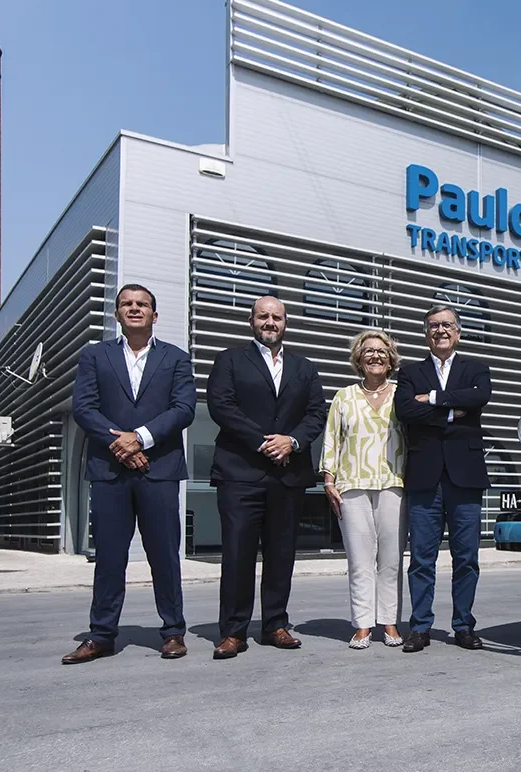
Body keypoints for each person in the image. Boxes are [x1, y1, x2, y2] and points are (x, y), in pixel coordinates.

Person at [63, 284, 197, 664]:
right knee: (109, 557)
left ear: (155, 314)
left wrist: (139, 439)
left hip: (160, 471)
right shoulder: (94, 356)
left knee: (164, 556)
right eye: (127, 304)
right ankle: (101, 634)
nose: (134, 308)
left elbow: (183, 408)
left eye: (142, 304)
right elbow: (84, 408)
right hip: (110, 472)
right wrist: (119, 444)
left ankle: (173, 632)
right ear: (117, 313)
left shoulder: (176, 359)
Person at [206, 295, 328, 659]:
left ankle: (275, 624)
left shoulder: (304, 368)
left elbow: (316, 414)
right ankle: (233, 631)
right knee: (237, 555)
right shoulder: (229, 360)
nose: (270, 322)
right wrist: (265, 443)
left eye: (277, 317)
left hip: (287, 476)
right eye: (263, 316)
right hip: (240, 475)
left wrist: (292, 441)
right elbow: (221, 406)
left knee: (281, 555)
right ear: (251, 321)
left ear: (285, 323)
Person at [393, 304, 492, 653]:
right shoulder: (410, 372)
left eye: (447, 325)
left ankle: (463, 625)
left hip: (466, 477)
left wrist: (433, 399)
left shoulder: (476, 369)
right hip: (425, 476)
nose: (440, 330)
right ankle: (420, 627)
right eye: (433, 325)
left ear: (458, 332)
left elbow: (479, 397)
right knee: (422, 558)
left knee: (467, 558)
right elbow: (405, 410)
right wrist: (451, 413)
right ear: (426, 333)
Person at [320, 330, 408, 649]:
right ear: (358, 358)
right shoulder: (344, 397)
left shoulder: (402, 395)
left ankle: (389, 622)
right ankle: (362, 624)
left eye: (382, 351)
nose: (375, 356)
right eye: (368, 351)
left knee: (391, 560)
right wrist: (328, 480)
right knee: (359, 560)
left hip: (394, 483)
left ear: (391, 360)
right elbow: (332, 439)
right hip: (352, 484)